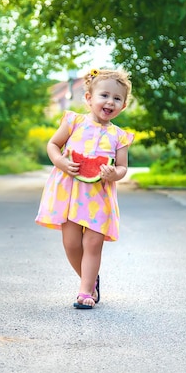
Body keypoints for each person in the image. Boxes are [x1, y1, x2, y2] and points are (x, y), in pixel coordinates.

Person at [35, 68, 134, 309]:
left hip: (98, 197)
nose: (110, 101)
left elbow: (122, 168)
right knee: (71, 244)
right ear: (89, 98)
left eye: (117, 98)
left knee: (92, 244)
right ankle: (90, 281)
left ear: (123, 105)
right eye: (104, 95)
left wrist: (114, 174)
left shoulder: (120, 137)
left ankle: (85, 292)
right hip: (69, 195)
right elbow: (53, 145)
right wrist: (60, 162)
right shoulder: (73, 121)